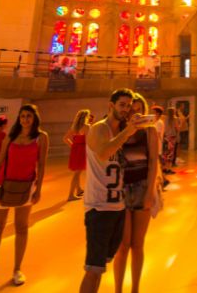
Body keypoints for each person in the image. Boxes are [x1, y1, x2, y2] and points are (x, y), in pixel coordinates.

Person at [0, 104, 49, 287]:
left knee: (21, 227)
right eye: (22, 116)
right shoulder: (10, 137)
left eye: (28, 116)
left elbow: (41, 165)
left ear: (34, 119)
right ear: (19, 119)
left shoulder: (41, 138)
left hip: (26, 187)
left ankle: (17, 269)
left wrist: (39, 189)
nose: (25, 119)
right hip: (3, 185)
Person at [79, 89, 138, 293]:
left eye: (128, 105)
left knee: (102, 265)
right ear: (111, 105)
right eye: (122, 104)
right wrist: (127, 132)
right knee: (93, 269)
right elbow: (104, 153)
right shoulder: (99, 129)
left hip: (117, 207)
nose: (126, 109)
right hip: (99, 208)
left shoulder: (120, 130)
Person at [113, 92, 159, 293]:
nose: (135, 113)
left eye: (139, 109)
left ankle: (135, 289)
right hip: (121, 189)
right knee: (122, 246)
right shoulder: (119, 131)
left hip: (141, 187)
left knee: (138, 245)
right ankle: (118, 289)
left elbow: (153, 163)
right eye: (132, 109)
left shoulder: (149, 132)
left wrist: (150, 192)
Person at [65, 109, 93, 201]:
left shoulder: (74, 127)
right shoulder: (86, 127)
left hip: (76, 151)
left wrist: (73, 146)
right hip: (82, 151)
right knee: (77, 173)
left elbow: (65, 139)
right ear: (86, 117)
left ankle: (78, 190)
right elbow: (89, 141)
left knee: (78, 172)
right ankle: (70, 195)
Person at [162, 107, 178, 174]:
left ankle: (164, 168)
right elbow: (177, 128)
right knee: (171, 154)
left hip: (166, 137)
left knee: (165, 154)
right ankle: (169, 169)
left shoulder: (164, 118)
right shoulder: (175, 119)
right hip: (172, 138)